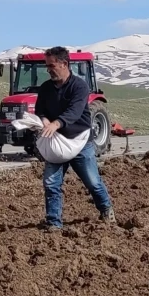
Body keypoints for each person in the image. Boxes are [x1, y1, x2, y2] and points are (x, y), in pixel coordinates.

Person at [34, 46, 115, 230]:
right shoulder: (46, 88)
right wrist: (45, 121)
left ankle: (106, 209)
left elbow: (75, 112)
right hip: (56, 143)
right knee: (51, 183)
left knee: (93, 182)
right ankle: (54, 222)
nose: (49, 70)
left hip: (80, 141)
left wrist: (55, 124)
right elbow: (40, 110)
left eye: (52, 65)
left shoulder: (79, 86)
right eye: (47, 66)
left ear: (64, 64)